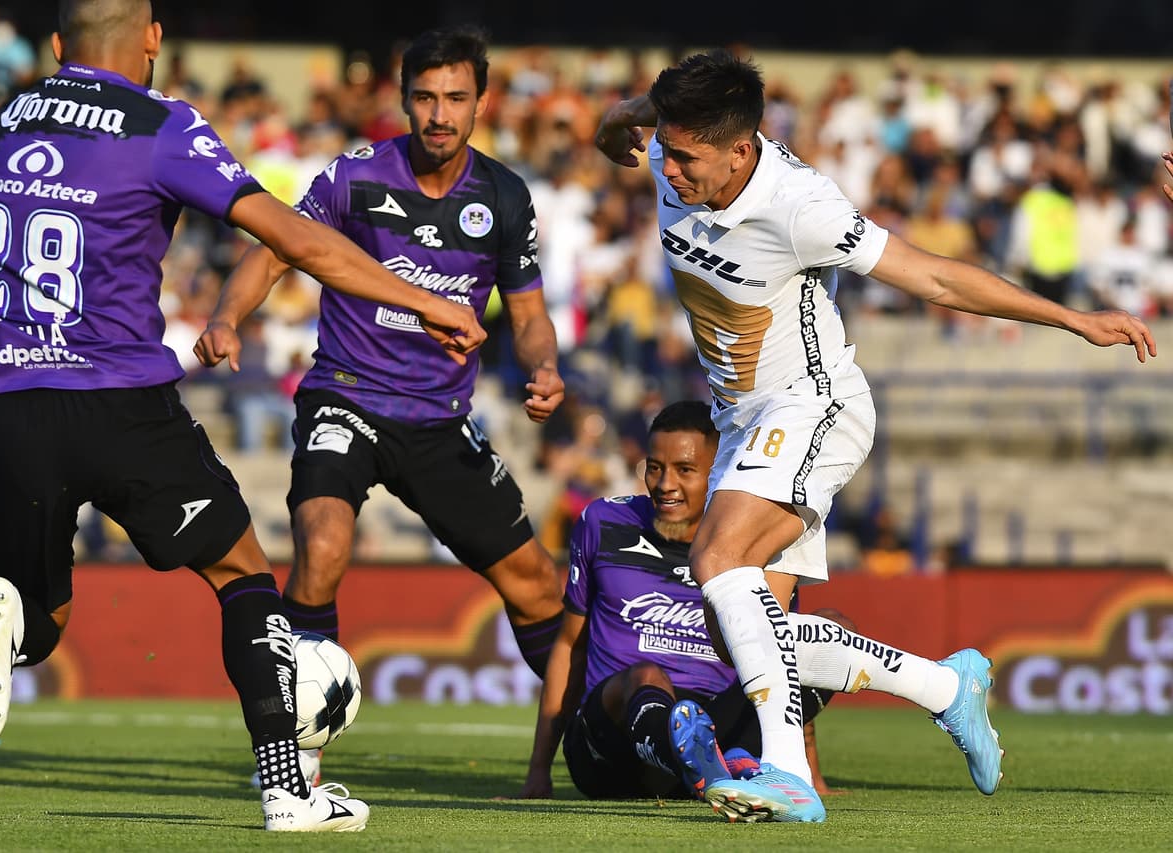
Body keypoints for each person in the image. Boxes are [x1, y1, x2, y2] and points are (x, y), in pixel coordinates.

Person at [0, 0, 484, 833]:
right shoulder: (159, 125)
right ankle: (289, 791)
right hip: (119, 403)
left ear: (58, 45)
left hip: (0, 407)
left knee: (42, 618)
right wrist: (423, 299)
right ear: (152, 40)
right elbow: (297, 239)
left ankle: (7, 620)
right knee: (242, 573)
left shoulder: (2, 120)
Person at [596, 52, 1156, 822]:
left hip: (813, 404)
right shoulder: (672, 145)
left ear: (740, 147)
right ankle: (946, 686)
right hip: (742, 418)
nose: (671, 169)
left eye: (686, 157)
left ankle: (786, 774)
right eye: (666, 147)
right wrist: (614, 124)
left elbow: (935, 278)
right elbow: (636, 121)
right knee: (745, 633)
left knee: (717, 559)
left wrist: (1071, 319)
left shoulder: (800, 205)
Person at [196, 26, 565, 715]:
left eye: (456, 97)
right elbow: (275, 250)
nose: (439, 114)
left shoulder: (505, 196)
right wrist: (226, 316)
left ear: (481, 103)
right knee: (323, 546)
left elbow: (530, 315)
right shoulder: (355, 177)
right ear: (402, 100)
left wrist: (543, 366)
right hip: (348, 396)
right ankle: (294, 744)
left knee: (538, 585)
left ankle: (592, 737)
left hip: (439, 419)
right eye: (425, 97)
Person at [518, 401, 840, 802]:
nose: (664, 484)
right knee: (647, 676)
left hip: (715, 731)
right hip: (611, 752)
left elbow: (785, 662)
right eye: (655, 467)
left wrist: (809, 768)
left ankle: (721, 766)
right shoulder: (603, 524)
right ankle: (711, 766)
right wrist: (538, 772)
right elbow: (569, 646)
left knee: (827, 629)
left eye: (684, 470)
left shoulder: (757, 547)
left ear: (719, 471)